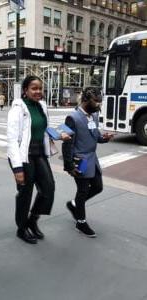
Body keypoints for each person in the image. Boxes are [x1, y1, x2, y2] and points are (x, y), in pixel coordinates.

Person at [7, 75, 70, 244]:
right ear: (25, 91)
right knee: (25, 194)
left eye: (40, 88)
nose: (38, 92)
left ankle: (32, 220)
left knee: (48, 188)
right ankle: (21, 228)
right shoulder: (17, 109)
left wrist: (58, 134)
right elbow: (12, 140)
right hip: (23, 156)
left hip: (39, 153)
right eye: (34, 88)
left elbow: (44, 128)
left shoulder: (42, 106)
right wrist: (17, 168)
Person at [62, 87, 114, 238]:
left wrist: (104, 138)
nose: (98, 105)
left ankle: (73, 205)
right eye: (96, 101)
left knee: (98, 187)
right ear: (85, 100)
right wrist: (69, 165)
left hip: (93, 159)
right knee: (83, 190)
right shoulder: (72, 118)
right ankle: (81, 221)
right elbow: (67, 144)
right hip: (80, 160)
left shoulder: (95, 115)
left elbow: (95, 135)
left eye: (100, 102)